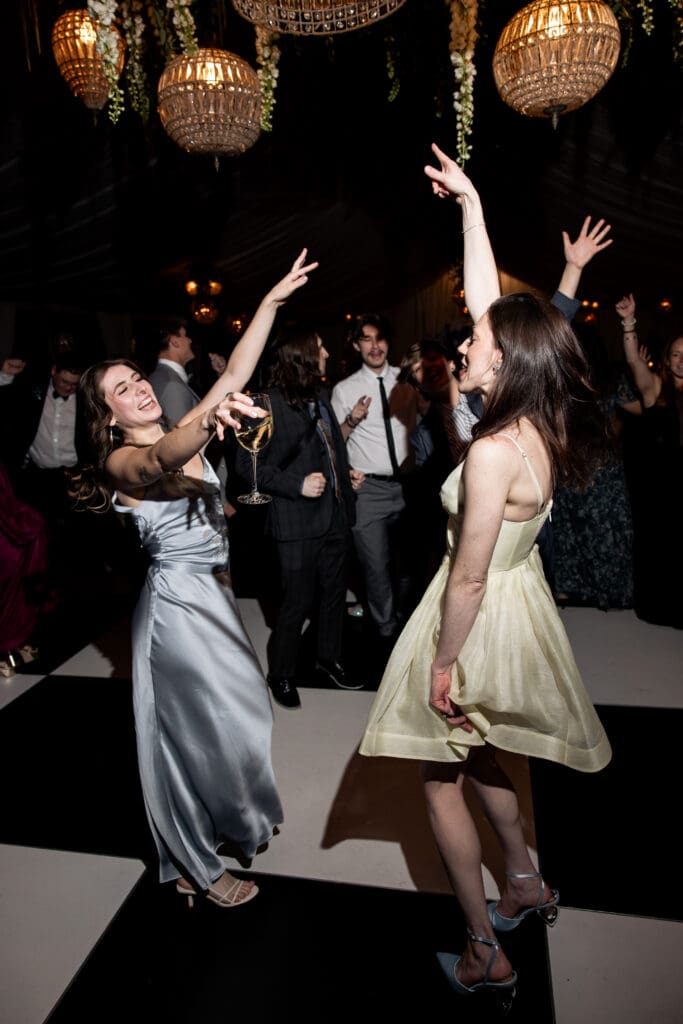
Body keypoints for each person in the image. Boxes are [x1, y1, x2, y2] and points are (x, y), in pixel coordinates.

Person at [359, 147, 612, 1005]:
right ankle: (525, 881)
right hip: (522, 605)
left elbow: (462, 582)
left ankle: (481, 950)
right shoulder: (536, 416)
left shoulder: (491, 452)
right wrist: (468, 204)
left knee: (438, 781)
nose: (463, 341)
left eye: (474, 342)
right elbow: (488, 300)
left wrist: (439, 666)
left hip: (474, 615)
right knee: (488, 760)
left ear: (501, 363)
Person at [70, 250, 318, 908]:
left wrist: (269, 301)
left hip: (211, 595)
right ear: (106, 416)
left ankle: (218, 825)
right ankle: (193, 867)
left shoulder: (182, 423)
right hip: (174, 610)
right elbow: (162, 457)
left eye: (136, 378)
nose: (139, 388)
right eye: (120, 389)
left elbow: (235, 369)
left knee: (235, 719)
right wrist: (211, 419)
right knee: (191, 734)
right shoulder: (123, 462)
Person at [236, 326, 365, 709]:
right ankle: (282, 674)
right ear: (303, 358)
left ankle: (328, 659)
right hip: (295, 520)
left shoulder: (320, 396)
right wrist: (296, 484)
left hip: (335, 517)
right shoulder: (265, 403)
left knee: (333, 598)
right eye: (320, 346)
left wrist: (347, 473)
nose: (326, 353)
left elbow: (329, 448)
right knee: (296, 602)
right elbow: (246, 465)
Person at [331, 314, 417, 640]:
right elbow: (335, 442)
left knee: (411, 566)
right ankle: (387, 631)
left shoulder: (407, 381)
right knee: (376, 566)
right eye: (366, 339)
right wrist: (352, 420)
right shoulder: (344, 389)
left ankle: (411, 624)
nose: (375, 346)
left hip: (410, 488)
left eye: (379, 338)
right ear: (356, 346)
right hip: (368, 491)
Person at [615, 294, 682, 627]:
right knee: (660, 546)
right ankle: (660, 607)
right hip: (662, 485)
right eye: (676, 355)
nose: (682, 361)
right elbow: (633, 362)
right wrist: (629, 322)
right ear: (667, 361)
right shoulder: (656, 389)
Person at [148, 319, 200, 425]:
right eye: (184, 335)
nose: (189, 340)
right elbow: (181, 438)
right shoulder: (173, 385)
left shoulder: (160, 375)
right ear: (174, 342)